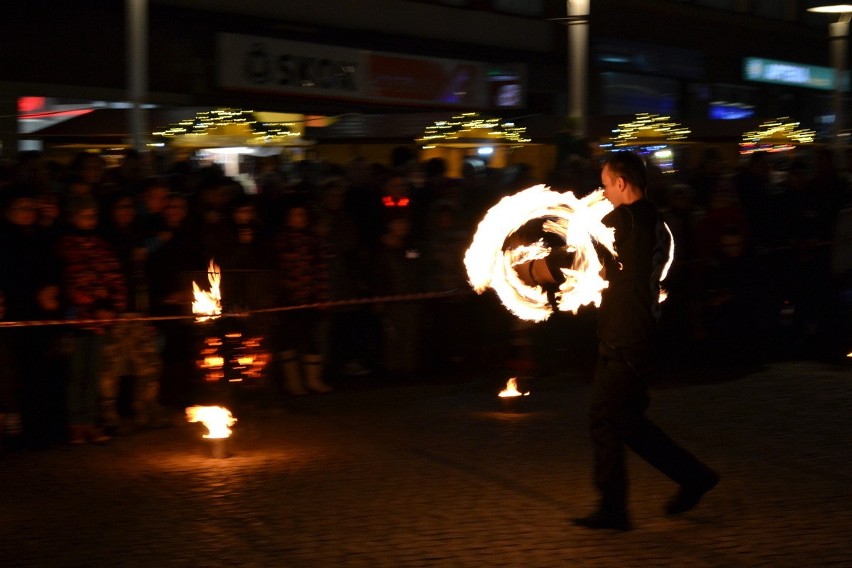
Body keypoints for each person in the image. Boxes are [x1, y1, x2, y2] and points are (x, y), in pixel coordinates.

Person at [517, 151, 718, 531]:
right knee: (621, 420)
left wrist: (526, 270)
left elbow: (578, 261)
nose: (603, 191)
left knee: (611, 419)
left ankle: (650, 494)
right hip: (635, 332)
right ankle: (647, 494)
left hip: (627, 336)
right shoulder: (657, 221)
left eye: (607, 183)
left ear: (622, 183)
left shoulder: (622, 220)